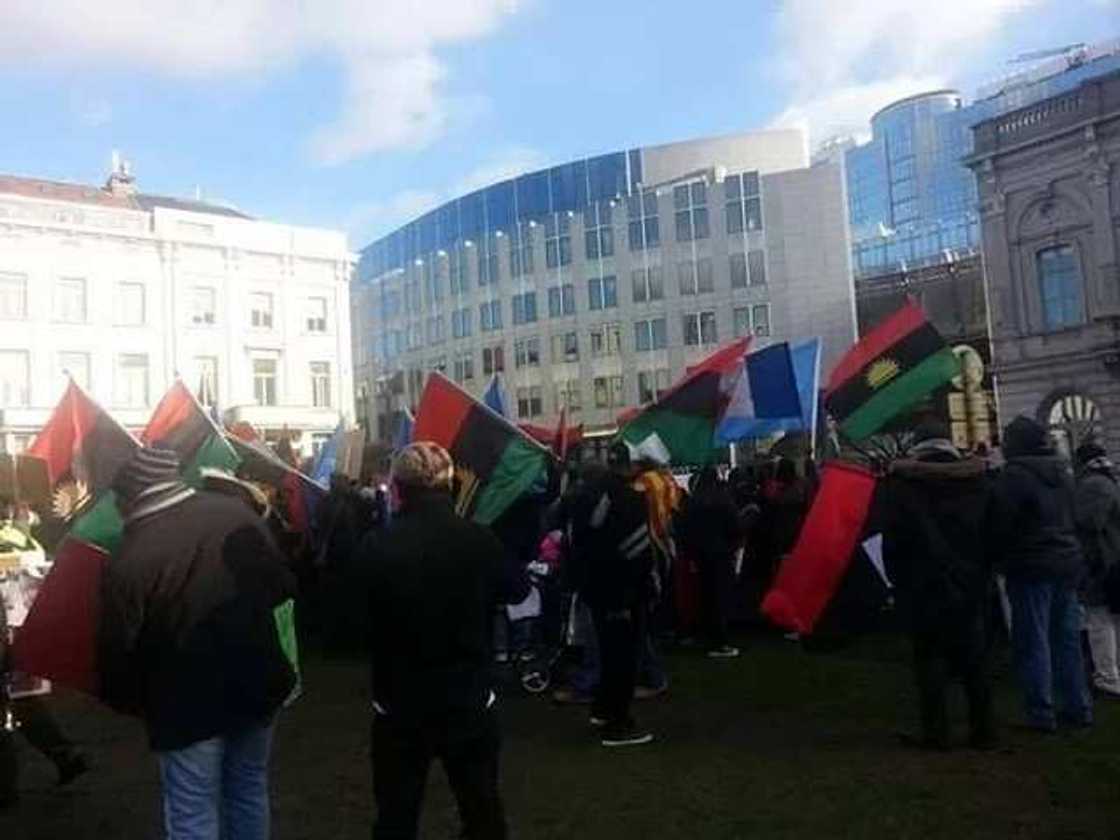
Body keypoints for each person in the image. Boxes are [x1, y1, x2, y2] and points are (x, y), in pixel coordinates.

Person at [99, 448, 298, 840]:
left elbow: (118, 648)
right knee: (248, 789)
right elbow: (282, 589)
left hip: (185, 704)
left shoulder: (129, 558)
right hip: (256, 682)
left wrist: (131, 702)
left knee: (193, 812)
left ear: (131, 498)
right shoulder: (235, 515)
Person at [359, 441, 523, 839]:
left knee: (397, 813)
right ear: (451, 486)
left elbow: (349, 618)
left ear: (397, 489)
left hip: (401, 699)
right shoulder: (476, 539)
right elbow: (516, 589)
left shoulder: (378, 545)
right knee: (482, 807)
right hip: (466, 695)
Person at [881, 423, 996, 750]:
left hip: (923, 582)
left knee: (929, 658)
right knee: (975, 658)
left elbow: (894, 539)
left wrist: (898, 580)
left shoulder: (903, 486)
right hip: (971, 580)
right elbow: (994, 531)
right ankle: (984, 730)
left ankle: (936, 732)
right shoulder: (978, 482)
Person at [990, 417, 1092, 732]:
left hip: (1030, 565)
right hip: (1066, 562)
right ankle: (1078, 708)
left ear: (1016, 443)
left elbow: (1001, 522)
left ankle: (1041, 712)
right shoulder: (1064, 472)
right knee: (1067, 639)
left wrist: (997, 556)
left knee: (1032, 640)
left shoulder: (1014, 476)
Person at [0, 498, 90, 809]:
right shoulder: (19, 536)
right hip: (17, 626)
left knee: (10, 708)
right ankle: (64, 753)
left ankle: (6, 788)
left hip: (7, 625)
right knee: (21, 700)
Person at [568, 443, 655, 747]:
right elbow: (637, 554)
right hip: (622, 590)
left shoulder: (583, 496)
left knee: (608, 651)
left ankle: (604, 709)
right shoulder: (627, 498)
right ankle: (618, 723)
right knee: (623, 657)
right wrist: (641, 588)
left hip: (595, 587)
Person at [1073, 442, 1120, 697]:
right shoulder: (1108, 481)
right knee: (1112, 620)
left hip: (1102, 564)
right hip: (1113, 561)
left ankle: (1107, 677)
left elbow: (1089, 524)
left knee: (1099, 621)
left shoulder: (1092, 486)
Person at [678, 467, 741, 658]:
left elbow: (684, 530)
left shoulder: (692, 502)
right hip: (721, 554)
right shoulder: (723, 500)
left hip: (699, 555)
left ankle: (705, 635)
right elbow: (735, 527)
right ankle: (720, 642)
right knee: (719, 598)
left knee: (705, 596)